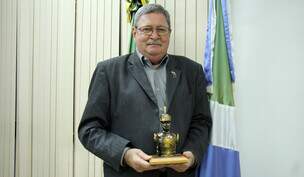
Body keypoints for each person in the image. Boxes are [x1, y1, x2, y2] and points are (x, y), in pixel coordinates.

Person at [78, 4, 211, 177]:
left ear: (169, 33)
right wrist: (125, 154)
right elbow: (89, 129)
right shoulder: (109, 71)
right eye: (147, 29)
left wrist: (192, 155)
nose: (154, 36)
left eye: (161, 29)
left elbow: (201, 122)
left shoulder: (192, 71)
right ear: (135, 33)